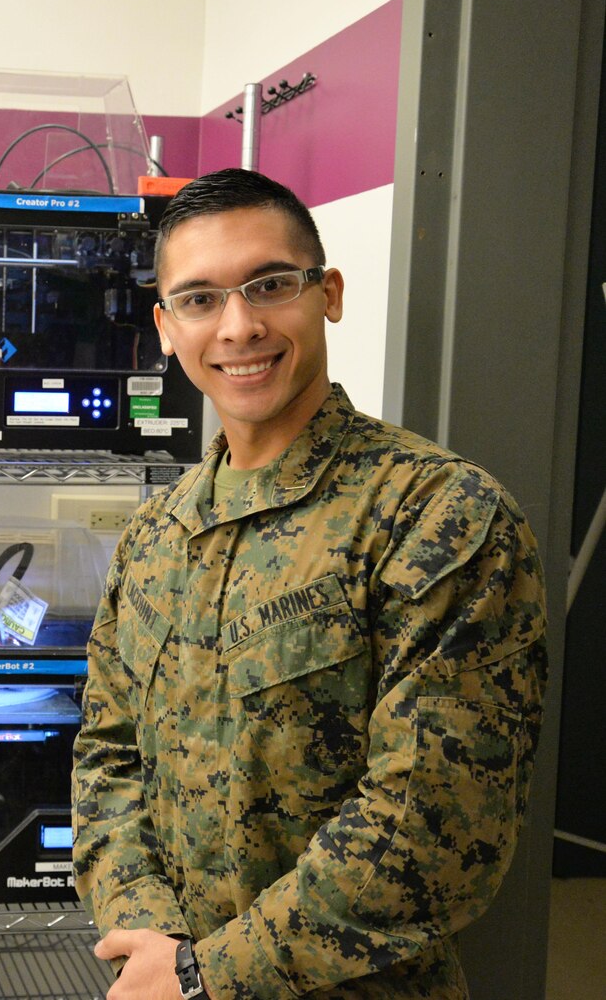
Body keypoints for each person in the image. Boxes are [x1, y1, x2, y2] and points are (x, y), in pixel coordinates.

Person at [71, 168, 548, 999]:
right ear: (165, 325)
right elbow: (107, 758)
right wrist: (149, 933)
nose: (240, 326)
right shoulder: (153, 536)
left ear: (327, 292)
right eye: (200, 299)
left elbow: (432, 828)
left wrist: (200, 976)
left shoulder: (437, 515)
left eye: (270, 285)